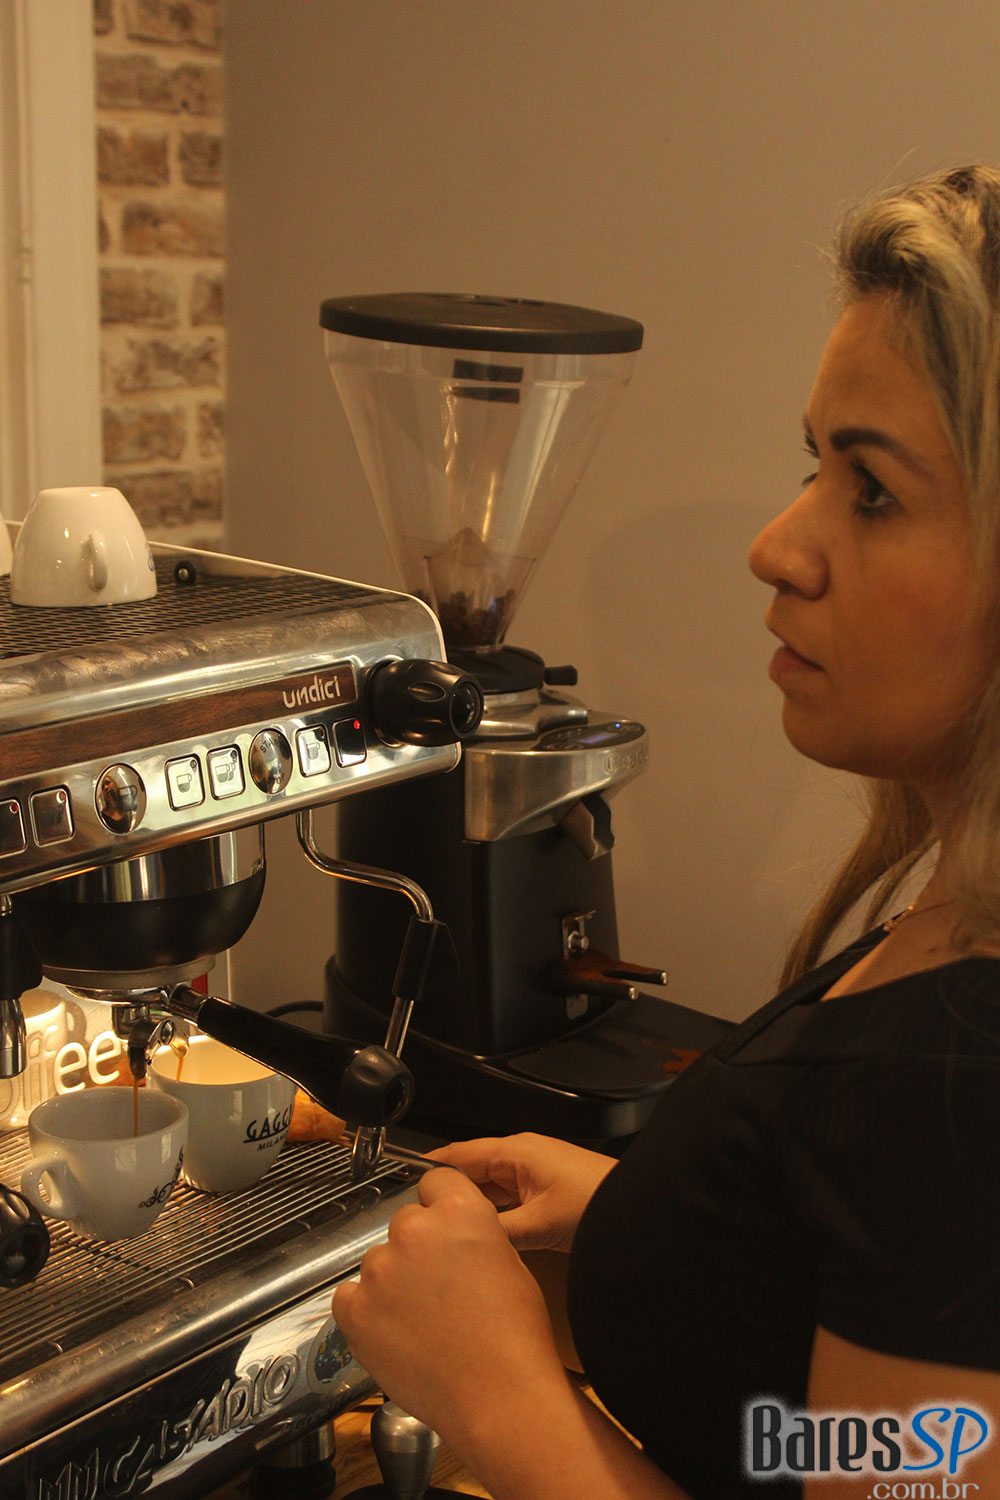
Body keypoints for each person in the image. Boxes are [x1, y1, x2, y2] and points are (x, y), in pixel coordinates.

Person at [332, 165, 1000, 1498]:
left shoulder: (957, 1074)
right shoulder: (954, 926)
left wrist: (496, 1394)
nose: (778, 547)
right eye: (813, 466)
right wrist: (663, 1231)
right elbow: (870, 1425)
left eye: (872, 491)